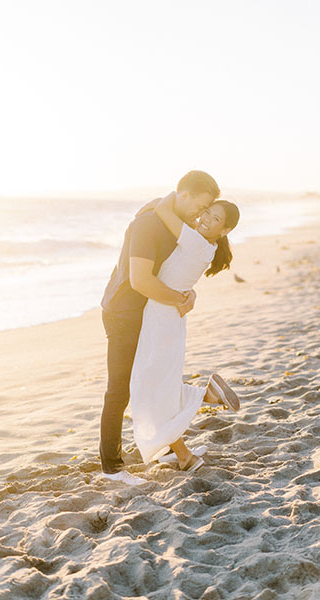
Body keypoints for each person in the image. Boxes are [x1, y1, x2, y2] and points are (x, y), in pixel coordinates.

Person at [98, 171, 219, 485]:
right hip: (124, 313)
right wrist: (180, 300)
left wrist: (189, 294)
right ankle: (110, 467)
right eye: (201, 206)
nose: (201, 214)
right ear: (184, 194)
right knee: (120, 389)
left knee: (153, 380)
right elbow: (141, 281)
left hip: (149, 313)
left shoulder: (175, 223)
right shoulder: (147, 224)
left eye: (208, 210)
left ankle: (167, 447)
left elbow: (174, 271)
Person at [130, 193, 240, 472]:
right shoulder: (206, 246)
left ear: (224, 230)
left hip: (161, 317)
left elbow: (168, 208)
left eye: (214, 218)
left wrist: (151, 206)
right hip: (167, 315)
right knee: (154, 387)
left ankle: (187, 446)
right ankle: (185, 448)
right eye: (206, 212)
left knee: (149, 389)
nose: (205, 219)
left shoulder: (195, 242)